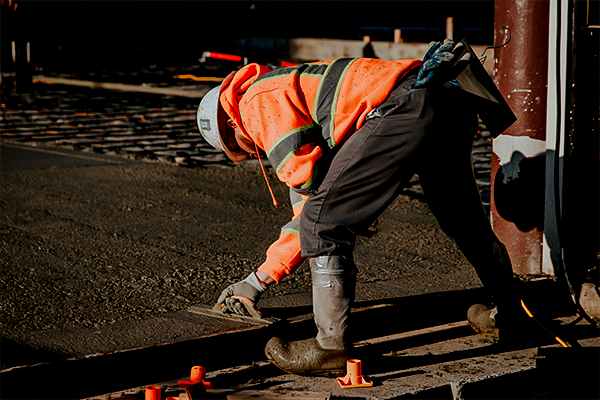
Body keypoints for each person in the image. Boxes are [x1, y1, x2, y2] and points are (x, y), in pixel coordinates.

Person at [196, 39, 527, 377]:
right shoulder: (288, 87)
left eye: (239, 148)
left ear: (230, 125)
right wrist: (260, 280)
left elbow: (313, 212)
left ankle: (329, 347)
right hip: (445, 99)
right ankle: (509, 314)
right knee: (463, 220)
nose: (252, 152)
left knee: (324, 224)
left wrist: (256, 281)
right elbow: (312, 199)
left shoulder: (256, 105)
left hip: (405, 105)